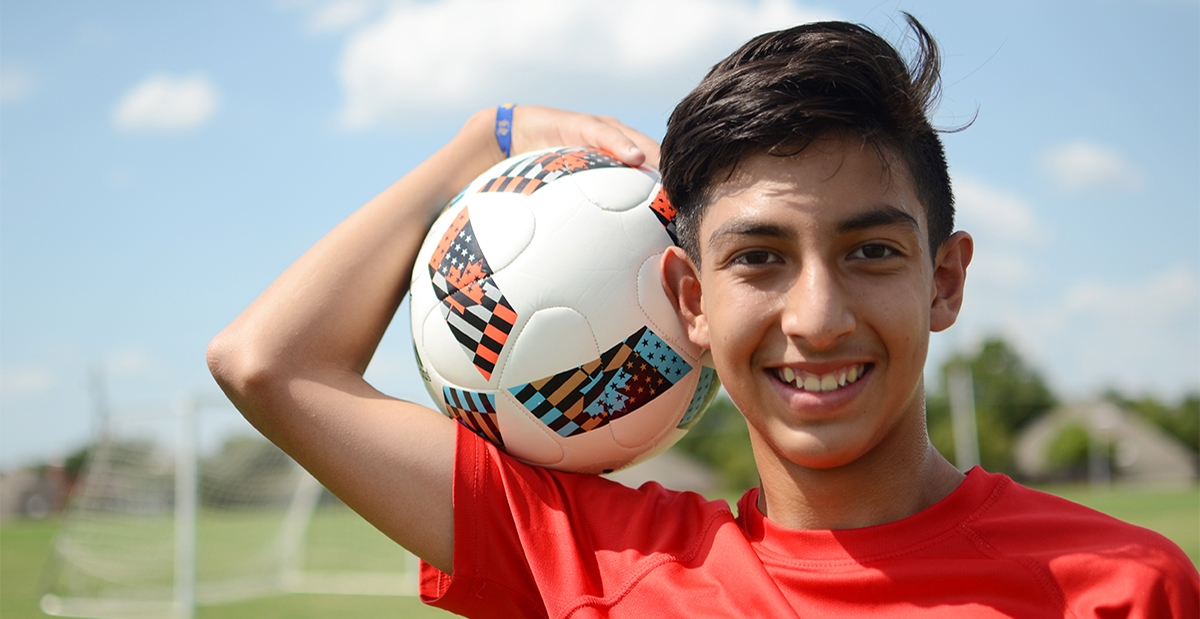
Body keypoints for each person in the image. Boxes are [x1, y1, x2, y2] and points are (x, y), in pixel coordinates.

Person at [208, 14, 1199, 618]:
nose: (816, 317)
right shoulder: (596, 562)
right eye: (759, 259)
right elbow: (268, 363)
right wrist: (481, 143)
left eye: (871, 252)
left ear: (945, 281)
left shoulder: (1123, 585)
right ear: (690, 301)